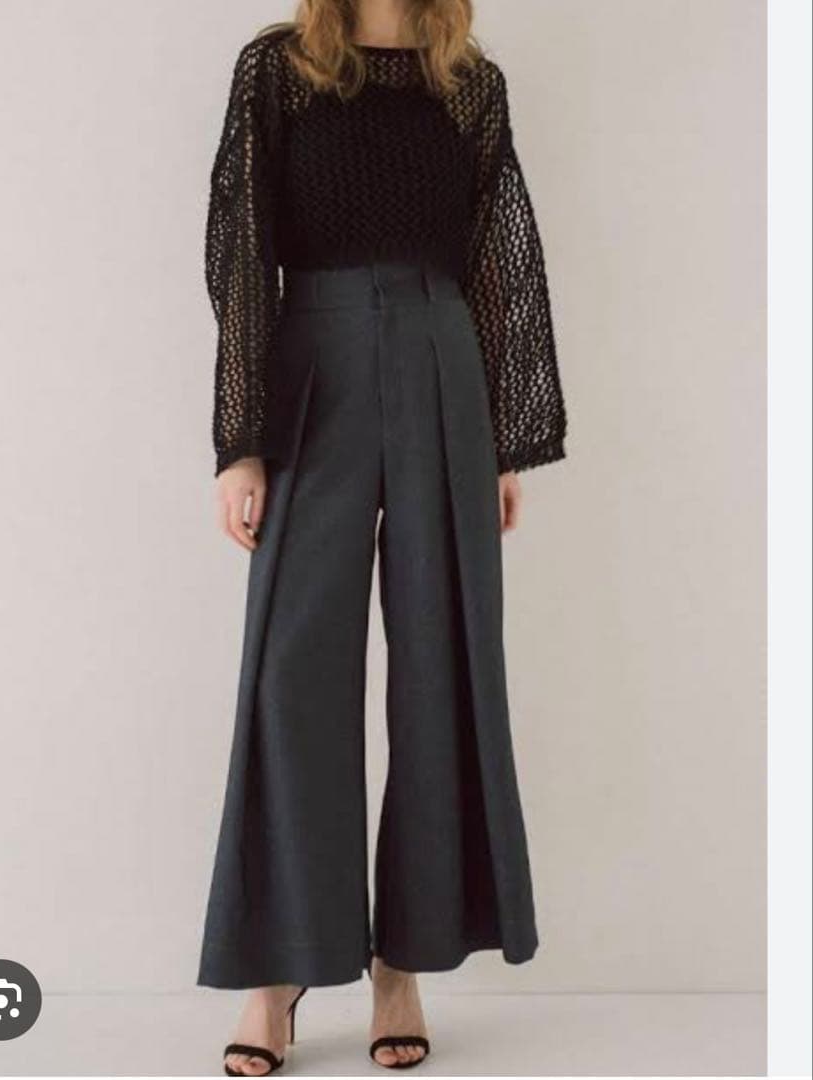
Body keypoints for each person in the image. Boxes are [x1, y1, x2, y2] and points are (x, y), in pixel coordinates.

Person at [198, 0, 567, 1073]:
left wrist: (502, 441)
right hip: (310, 361)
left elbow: (497, 256)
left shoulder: (469, 82)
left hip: (442, 361)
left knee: (438, 667)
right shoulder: (280, 69)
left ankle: (401, 965)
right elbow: (240, 249)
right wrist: (240, 442)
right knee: (291, 674)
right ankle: (280, 972)